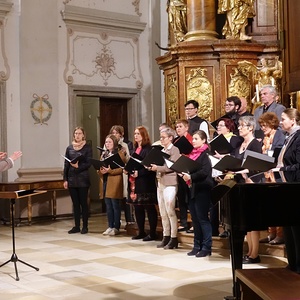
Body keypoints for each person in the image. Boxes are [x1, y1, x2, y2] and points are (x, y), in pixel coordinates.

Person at [228, 116, 262, 264]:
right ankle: (249, 252)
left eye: (242, 126)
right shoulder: (240, 145)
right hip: (240, 185)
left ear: (250, 128)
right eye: (239, 126)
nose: (239, 128)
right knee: (245, 223)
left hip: (251, 184)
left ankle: (255, 254)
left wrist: (244, 172)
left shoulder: (255, 144)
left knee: (252, 223)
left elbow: (258, 166)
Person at [274, 108, 300, 273]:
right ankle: (292, 263)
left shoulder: (299, 137)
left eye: (283, 119)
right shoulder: (288, 137)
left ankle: (298, 266)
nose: (280, 122)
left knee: (297, 229)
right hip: (286, 186)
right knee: (288, 228)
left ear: (293, 120)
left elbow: (299, 165)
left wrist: (282, 168)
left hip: (296, 187)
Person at [181, 130, 214, 257]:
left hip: (203, 189)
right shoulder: (192, 154)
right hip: (192, 189)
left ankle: (207, 247)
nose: (193, 141)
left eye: (195, 139)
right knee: (195, 219)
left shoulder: (206, 154)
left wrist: (190, 176)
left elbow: (205, 172)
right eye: (193, 138)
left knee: (203, 219)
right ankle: (197, 245)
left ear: (203, 140)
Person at [125, 126, 158, 241]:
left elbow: (150, 166)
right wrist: (127, 169)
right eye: (135, 134)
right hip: (135, 183)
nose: (136, 136)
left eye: (138, 134)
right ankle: (141, 231)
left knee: (149, 208)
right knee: (137, 208)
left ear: (144, 135)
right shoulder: (135, 149)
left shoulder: (148, 149)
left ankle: (152, 233)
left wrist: (140, 173)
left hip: (145, 182)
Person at [150, 127, 181, 249]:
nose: (161, 139)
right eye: (160, 137)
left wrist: (157, 168)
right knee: (162, 211)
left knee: (170, 210)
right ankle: (166, 235)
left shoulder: (175, 150)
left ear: (170, 138)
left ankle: (174, 237)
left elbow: (172, 166)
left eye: (163, 137)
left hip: (170, 182)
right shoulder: (161, 150)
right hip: (160, 182)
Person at [212, 118, 243, 237]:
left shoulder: (235, 139)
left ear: (229, 127)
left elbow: (235, 155)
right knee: (219, 203)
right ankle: (221, 227)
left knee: (228, 203)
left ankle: (229, 228)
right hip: (217, 173)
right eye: (218, 126)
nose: (218, 128)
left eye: (221, 125)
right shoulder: (216, 139)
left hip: (230, 173)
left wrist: (223, 156)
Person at [257, 112, 286, 245]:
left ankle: (280, 234)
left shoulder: (278, 135)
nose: (263, 128)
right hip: (267, 175)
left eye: (265, 125)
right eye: (261, 125)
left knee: (278, 205)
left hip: (276, 175)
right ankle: (271, 233)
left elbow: (278, 152)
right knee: (269, 205)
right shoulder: (265, 137)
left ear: (272, 123)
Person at [63, 126, 92, 234]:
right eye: (76, 133)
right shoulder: (69, 148)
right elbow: (66, 164)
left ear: (83, 135)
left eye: (79, 133)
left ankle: (85, 226)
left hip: (83, 179)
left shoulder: (87, 148)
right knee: (75, 204)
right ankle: (76, 226)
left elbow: (89, 163)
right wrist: (65, 179)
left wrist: (78, 167)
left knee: (83, 203)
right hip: (71, 178)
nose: (77, 135)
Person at [99, 134, 126, 236]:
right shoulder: (104, 154)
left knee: (115, 205)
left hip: (115, 181)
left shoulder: (119, 154)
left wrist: (110, 171)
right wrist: (101, 170)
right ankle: (110, 226)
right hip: (105, 181)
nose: (108, 144)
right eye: (106, 142)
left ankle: (116, 227)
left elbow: (121, 168)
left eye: (110, 142)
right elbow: (99, 167)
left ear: (114, 143)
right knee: (108, 205)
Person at [109, 125, 135, 225]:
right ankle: (116, 221)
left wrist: (125, 153)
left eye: (116, 133)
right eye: (113, 133)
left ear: (121, 134)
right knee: (114, 198)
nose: (114, 135)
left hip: (122, 173)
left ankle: (129, 219)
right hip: (111, 173)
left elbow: (128, 160)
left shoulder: (125, 145)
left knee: (125, 195)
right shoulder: (108, 143)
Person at [174, 119, 193, 233]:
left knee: (190, 197)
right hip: (179, 170)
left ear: (186, 128)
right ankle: (183, 222)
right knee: (181, 197)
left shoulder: (191, 139)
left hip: (189, 171)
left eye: (180, 126)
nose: (178, 128)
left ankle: (193, 223)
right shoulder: (176, 141)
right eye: (176, 127)